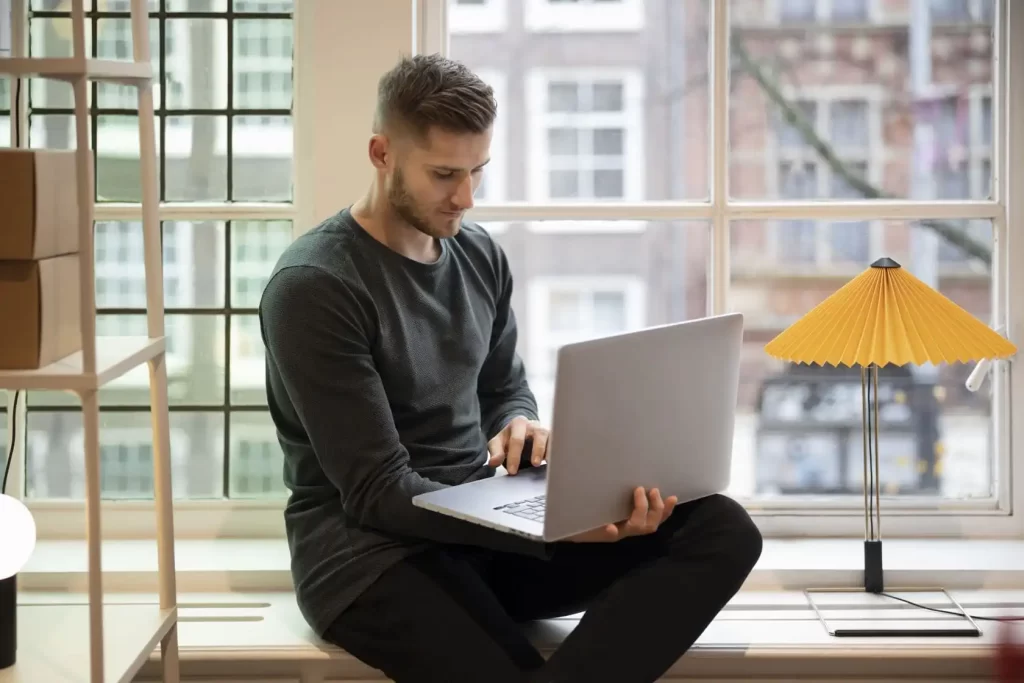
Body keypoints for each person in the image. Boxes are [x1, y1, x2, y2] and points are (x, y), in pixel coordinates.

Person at [259, 53, 763, 683]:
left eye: (478, 171)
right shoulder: (315, 287)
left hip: (483, 534)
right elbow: (377, 494)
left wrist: (518, 424)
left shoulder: (478, 255)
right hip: (371, 557)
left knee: (722, 528)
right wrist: (550, 528)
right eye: (445, 174)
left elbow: (502, 385)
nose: (466, 198)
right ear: (382, 154)